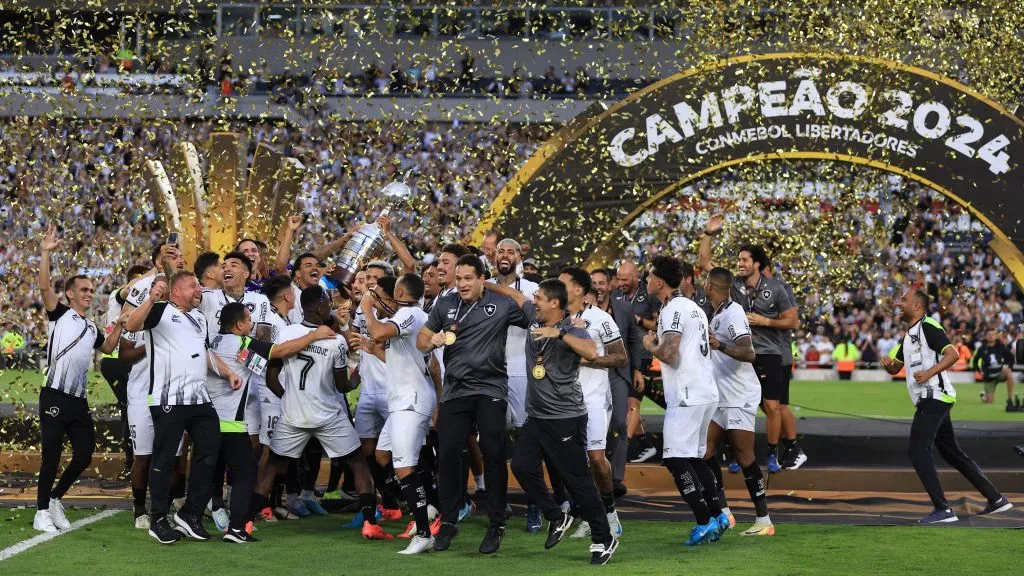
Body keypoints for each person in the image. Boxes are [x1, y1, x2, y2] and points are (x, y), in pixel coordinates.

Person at [489, 278, 620, 565]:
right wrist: (483, 283)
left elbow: (591, 353)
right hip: (537, 417)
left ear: (554, 303)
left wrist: (558, 335)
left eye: (539, 297)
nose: (534, 301)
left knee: (579, 481)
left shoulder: (572, 329)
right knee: (522, 466)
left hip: (566, 418)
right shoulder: (531, 317)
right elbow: (513, 294)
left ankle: (604, 537)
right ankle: (556, 515)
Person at [254, 286, 387, 540]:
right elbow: (341, 385)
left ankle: (245, 522)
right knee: (358, 464)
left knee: (271, 466)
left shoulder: (287, 333)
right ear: (318, 307)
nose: (331, 305)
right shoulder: (335, 340)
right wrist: (356, 379)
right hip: (328, 415)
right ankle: (370, 523)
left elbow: (271, 378)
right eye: (327, 301)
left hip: (293, 415)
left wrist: (291, 398)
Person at [417, 254, 529, 554]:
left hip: (491, 388)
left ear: (482, 279)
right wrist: (434, 341)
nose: (463, 284)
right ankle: (450, 519)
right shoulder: (445, 305)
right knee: (449, 454)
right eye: (460, 278)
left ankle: (496, 523)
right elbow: (422, 340)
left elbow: (529, 309)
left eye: (469, 278)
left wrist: (498, 288)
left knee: (494, 452)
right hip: (455, 391)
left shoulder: (500, 303)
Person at [206, 301, 337, 542]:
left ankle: (193, 517)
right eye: (248, 320)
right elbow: (280, 351)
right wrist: (313, 336)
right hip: (231, 422)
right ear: (238, 325)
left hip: (207, 420)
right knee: (246, 473)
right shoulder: (240, 342)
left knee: (209, 470)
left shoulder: (214, 341)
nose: (252, 324)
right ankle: (236, 529)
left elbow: (255, 364)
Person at [124, 271, 240, 545]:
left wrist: (226, 372)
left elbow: (205, 351)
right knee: (164, 460)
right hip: (169, 399)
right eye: (193, 285)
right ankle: (158, 519)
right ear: (176, 291)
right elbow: (131, 324)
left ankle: (190, 514)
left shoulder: (199, 318)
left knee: (210, 452)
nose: (199, 289)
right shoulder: (160, 311)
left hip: (199, 398)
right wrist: (152, 299)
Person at [880, 288, 1013, 523]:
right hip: (935, 397)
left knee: (918, 450)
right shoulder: (908, 335)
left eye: (904, 299)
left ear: (917, 306)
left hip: (934, 396)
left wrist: (929, 372)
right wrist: (888, 364)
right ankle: (996, 499)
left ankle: (943, 509)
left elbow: (952, 355)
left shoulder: (928, 325)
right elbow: (895, 368)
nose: (899, 303)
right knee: (951, 452)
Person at [33, 225, 125, 533]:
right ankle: (41, 511)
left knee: (84, 453)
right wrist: (46, 251)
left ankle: (56, 498)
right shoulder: (59, 314)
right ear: (70, 294)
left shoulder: (91, 327)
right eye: (84, 290)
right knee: (52, 455)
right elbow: (45, 287)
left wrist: (121, 323)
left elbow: (109, 347)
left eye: (91, 290)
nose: (89, 293)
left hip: (77, 400)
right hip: (55, 395)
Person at [699, 215, 804, 472]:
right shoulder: (733, 284)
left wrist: (764, 321)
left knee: (771, 406)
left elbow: (793, 322)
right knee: (738, 404)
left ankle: (771, 455)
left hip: (768, 353)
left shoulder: (776, 288)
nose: (740, 264)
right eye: (739, 260)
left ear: (757, 264)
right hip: (739, 354)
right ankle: (738, 454)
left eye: (745, 260)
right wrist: (708, 234)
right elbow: (704, 264)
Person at [641, 255, 725, 546]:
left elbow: (669, 353)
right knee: (694, 456)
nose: (647, 280)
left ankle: (703, 521)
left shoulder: (673, 310)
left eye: (650, 276)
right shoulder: (694, 308)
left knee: (675, 459)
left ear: (660, 281)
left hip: (688, 394)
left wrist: (650, 344)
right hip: (704, 391)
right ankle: (718, 514)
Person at [361, 273, 442, 554]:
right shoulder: (412, 317)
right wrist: (373, 351)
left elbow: (379, 332)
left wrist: (367, 309)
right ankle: (429, 501)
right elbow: (401, 358)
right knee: (383, 457)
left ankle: (423, 532)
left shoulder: (409, 313)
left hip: (411, 400)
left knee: (404, 467)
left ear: (400, 291)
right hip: (402, 400)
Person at [555, 267, 627, 540]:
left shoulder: (600, 319)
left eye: (563, 283)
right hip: (564, 399)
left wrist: (589, 359)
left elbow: (621, 358)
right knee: (573, 462)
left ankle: (611, 515)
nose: (558, 288)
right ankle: (591, 515)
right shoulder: (558, 317)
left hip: (594, 398)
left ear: (578, 289)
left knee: (596, 459)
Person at [703, 267, 774, 536]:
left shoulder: (732, 313)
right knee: (704, 451)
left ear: (710, 285)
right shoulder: (719, 313)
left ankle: (764, 520)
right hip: (721, 397)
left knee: (745, 456)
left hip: (739, 396)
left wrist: (720, 346)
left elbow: (749, 351)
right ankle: (724, 512)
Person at [487, 238, 541, 529]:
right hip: (491, 372)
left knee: (525, 441)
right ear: (494, 256)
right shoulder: (480, 287)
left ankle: (534, 505)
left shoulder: (532, 290)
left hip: (521, 371)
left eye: (511, 251)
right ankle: (498, 505)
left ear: (520, 256)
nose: (505, 255)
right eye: (501, 251)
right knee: (493, 442)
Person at [590, 268, 643, 499]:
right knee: (593, 425)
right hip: (591, 376)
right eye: (594, 283)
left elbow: (634, 340)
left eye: (602, 283)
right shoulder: (582, 312)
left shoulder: (623, 309)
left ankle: (616, 478)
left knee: (621, 423)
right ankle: (595, 473)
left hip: (617, 374)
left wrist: (637, 369)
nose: (598, 287)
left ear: (610, 285)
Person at [100, 264, 149, 479]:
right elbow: (130, 289)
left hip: (131, 362)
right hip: (116, 363)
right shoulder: (117, 296)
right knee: (132, 410)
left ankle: (135, 462)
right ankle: (132, 464)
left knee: (130, 411)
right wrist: (155, 272)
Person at [971, 329, 1016, 410]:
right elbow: (975, 361)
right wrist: (979, 371)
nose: (991, 336)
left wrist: (1010, 367)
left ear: (995, 336)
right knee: (990, 402)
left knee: (1008, 372)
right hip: (989, 377)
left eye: (993, 334)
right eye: (989, 334)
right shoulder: (982, 348)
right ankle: (984, 396)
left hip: (999, 373)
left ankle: (1009, 398)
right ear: (986, 336)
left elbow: (1011, 357)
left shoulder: (1000, 346)